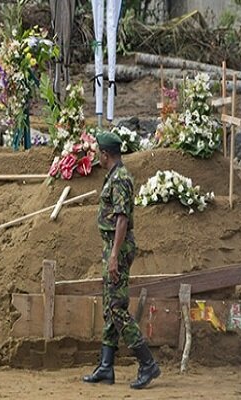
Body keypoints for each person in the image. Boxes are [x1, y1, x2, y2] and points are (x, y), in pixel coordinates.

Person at [83, 131, 160, 389]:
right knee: (110, 306)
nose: (95, 156)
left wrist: (114, 255)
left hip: (118, 248)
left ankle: (147, 363)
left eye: (97, 153)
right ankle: (106, 367)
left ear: (106, 154)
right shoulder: (115, 176)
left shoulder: (121, 180)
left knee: (117, 308)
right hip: (111, 247)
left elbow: (122, 219)